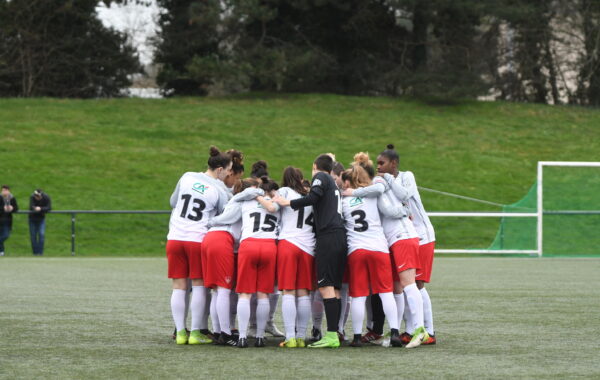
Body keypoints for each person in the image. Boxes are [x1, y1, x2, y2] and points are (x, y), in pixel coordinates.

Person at [273, 154, 347, 349]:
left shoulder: (320, 178)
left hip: (318, 239)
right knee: (332, 290)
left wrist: (287, 203)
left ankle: (296, 336)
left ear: (315, 167)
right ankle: (331, 332)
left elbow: (313, 196)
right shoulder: (333, 185)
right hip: (329, 239)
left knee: (321, 288)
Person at [166, 146, 231, 345]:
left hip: (175, 238)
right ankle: (195, 333)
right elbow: (223, 217)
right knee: (199, 285)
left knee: (178, 286)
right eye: (228, 170)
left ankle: (180, 333)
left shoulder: (186, 177)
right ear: (219, 169)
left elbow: (173, 202)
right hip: (197, 240)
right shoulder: (220, 190)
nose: (228, 175)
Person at [210, 177, 280, 348]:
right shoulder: (276, 203)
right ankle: (260, 336)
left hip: (248, 245)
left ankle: (241, 336)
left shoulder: (243, 202)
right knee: (263, 294)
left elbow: (229, 217)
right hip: (270, 245)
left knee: (244, 294)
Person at [340, 154, 402, 347]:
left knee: (358, 295)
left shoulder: (344, 201)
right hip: (378, 248)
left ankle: (357, 337)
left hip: (357, 250)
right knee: (385, 292)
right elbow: (387, 208)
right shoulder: (374, 196)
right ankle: (394, 332)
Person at [378, 144, 437, 345]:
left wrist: (388, 180)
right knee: (404, 284)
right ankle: (410, 329)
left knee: (417, 284)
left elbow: (404, 195)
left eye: (382, 163)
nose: (378, 167)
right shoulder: (383, 180)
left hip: (422, 235)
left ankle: (429, 331)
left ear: (393, 164)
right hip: (405, 235)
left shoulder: (406, 176)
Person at [277, 167, 316, 348]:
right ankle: (301, 336)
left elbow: (273, 208)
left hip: (289, 243)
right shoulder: (311, 196)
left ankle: (290, 336)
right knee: (303, 293)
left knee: (288, 291)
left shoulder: (284, 191)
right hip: (308, 247)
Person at [29, 189, 52, 256]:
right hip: (32, 218)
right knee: (33, 236)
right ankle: (35, 253)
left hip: (41, 219)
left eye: (38, 196)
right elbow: (31, 206)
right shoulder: (32, 197)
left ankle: (40, 253)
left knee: (41, 235)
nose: (36, 197)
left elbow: (49, 207)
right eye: (35, 196)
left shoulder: (46, 197)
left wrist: (41, 209)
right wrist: (35, 208)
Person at [1, 185, 18, 256]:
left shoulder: (12, 198)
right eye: (2, 190)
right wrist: (3, 208)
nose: (3, 192)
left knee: (5, 235)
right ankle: (1, 252)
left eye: (5, 190)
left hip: (7, 221)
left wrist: (12, 208)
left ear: (8, 191)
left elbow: (16, 208)